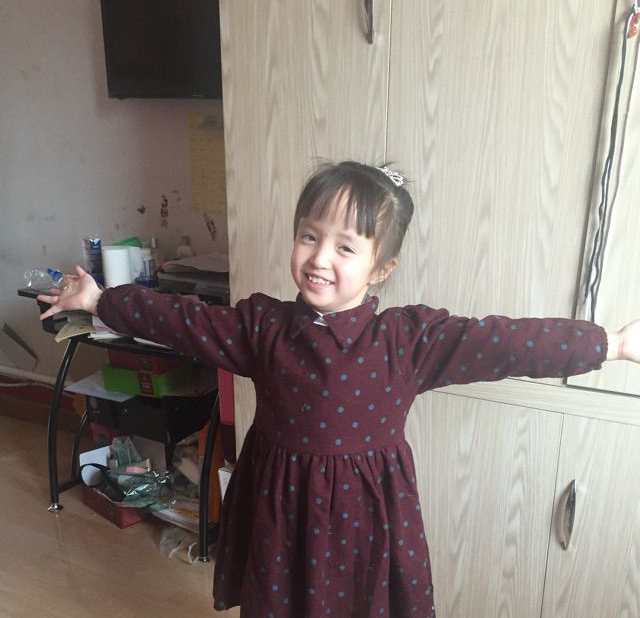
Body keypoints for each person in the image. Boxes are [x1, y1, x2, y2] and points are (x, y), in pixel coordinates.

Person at [38, 161, 640, 618]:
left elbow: (504, 341)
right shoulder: (263, 327)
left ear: (381, 268)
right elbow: (183, 319)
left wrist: (609, 343)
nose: (319, 258)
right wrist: (101, 300)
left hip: (366, 515)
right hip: (278, 502)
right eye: (309, 235)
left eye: (346, 247)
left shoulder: (408, 340)